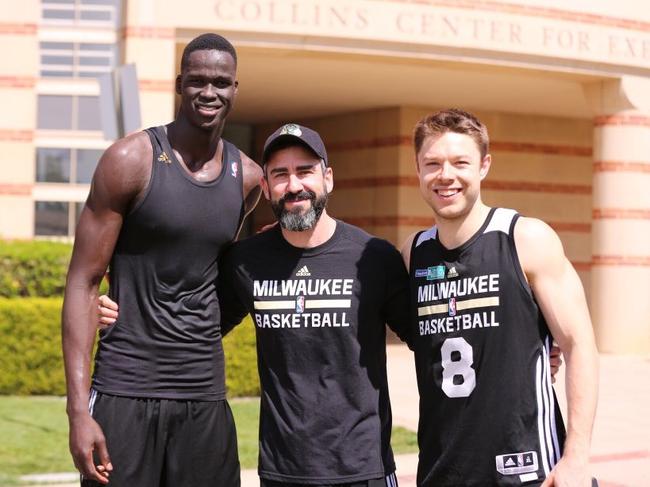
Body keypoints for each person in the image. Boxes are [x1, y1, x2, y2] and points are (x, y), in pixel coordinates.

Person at [62, 33, 262, 486]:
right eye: (197, 81)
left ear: (235, 89)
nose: (208, 92)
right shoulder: (129, 161)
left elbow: (217, 278)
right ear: (179, 84)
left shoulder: (248, 178)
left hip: (204, 393)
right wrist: (77, 411)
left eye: (221, 83)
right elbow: (82, 282)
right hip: (125, 388)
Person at [401, 108, 599, 486]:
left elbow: (578, 345)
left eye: (461, 162)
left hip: (527, 468)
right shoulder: (414, 253)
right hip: (442, 468)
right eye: (432, 163)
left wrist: (576, 457)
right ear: (418, 169)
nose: (446, 175)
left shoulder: (526, 239)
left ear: (484, 166)